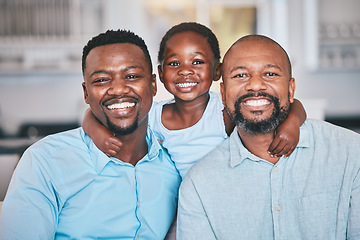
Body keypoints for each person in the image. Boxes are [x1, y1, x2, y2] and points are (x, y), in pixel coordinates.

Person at [0, 30, 181, 239]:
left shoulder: (175, 158)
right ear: (86, 93)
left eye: (131, 76)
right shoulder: (45, 162)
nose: (118, 89)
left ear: (152, 85)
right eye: (102, 80)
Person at [176, 34, 360, 239]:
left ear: (291, 89)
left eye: (270, 74)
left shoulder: (351, 154)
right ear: (223, 91)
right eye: (240, 75)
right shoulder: (199, 184)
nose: (255, 85)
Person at [83, 22, 307, 179]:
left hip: (219, 193)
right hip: (176, 202)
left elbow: (292, 104)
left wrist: (292, 124)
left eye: (197, 62)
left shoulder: (223, 111)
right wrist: (96, 132)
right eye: (174, 64)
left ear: (217, 71)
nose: (185, 72)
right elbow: (92, 114)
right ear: (160, 74)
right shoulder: (153, 115)